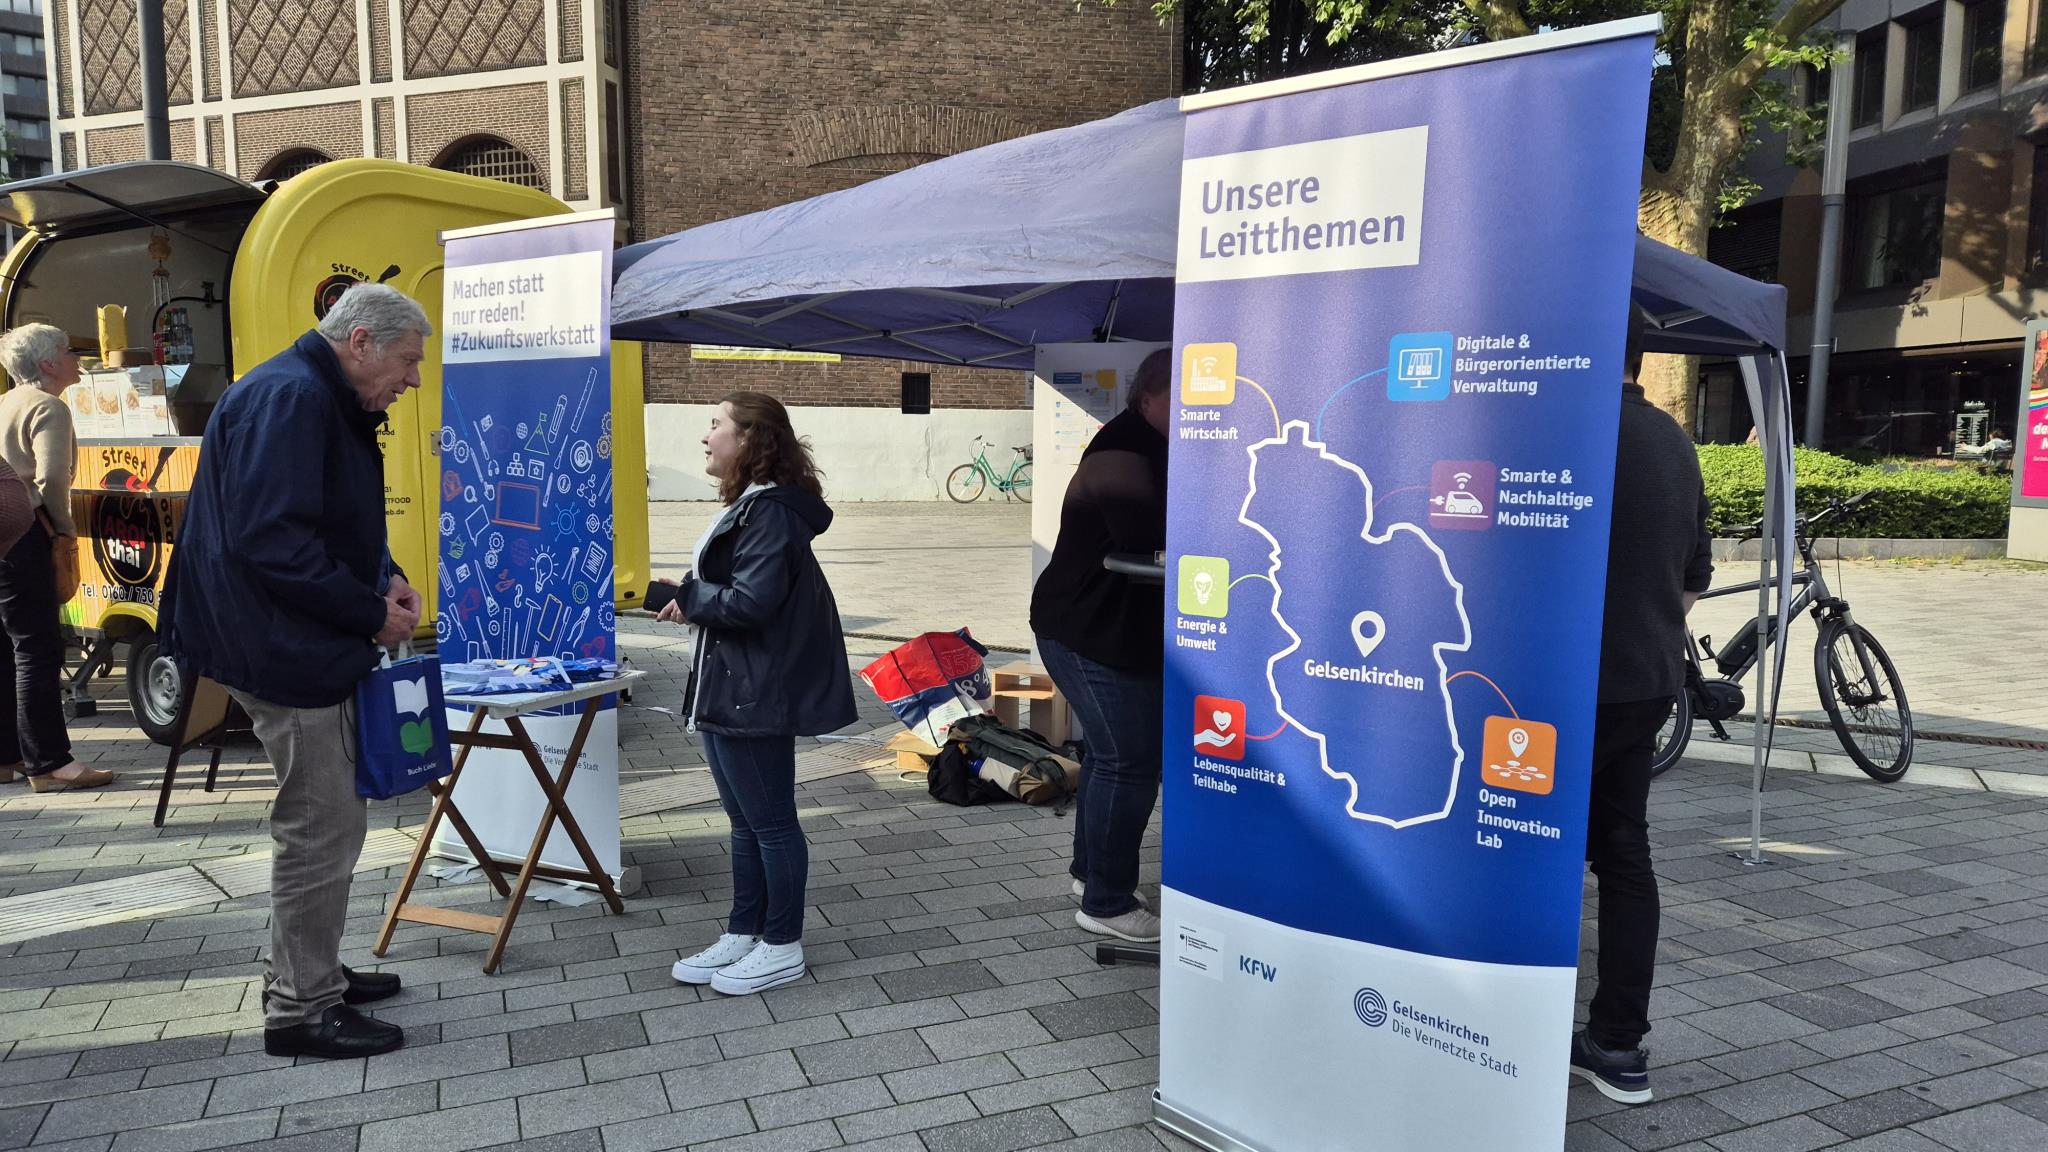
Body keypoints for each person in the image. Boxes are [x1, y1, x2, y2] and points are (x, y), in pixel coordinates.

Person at [160, 285, 425, 1060]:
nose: (411, 381)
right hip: (281, 646)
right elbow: (273, 542)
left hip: (281, 635)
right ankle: (302, 1009)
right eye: (407, 362)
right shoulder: (294, 398)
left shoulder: (310, 392)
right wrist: (370, 613)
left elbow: (326, 521)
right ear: (363, 342)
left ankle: (312, 968)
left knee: (326, 823)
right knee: (321, 827)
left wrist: (385, 576)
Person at [659, 392, 856, 996]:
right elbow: (739, 586)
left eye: (716, 425)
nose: (705, 436)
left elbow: (751, 602)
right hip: (730, 684)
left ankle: (782, 945)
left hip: (755, 690)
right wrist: (688, 592)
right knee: (745, 825)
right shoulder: (751, 505)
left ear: (749, 439)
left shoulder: (769, 511)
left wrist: (688, 597)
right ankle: (744, 932)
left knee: (771, 826)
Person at [1570, 308, 1713, 1106]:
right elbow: (1694, 579)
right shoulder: (1674, 441)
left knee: (1531, 848)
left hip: (1561, 689)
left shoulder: (1564, 433)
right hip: (1646, 678)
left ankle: (1507, 1027)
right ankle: (1619, 1045)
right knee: (1624, 852)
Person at [1031, 349, 1170, 944]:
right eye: (1185, 400)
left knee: (1114, 759)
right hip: (1089, 633)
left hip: (1109, 631)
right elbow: (1152, 534)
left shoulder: (1153, 441)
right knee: (1128, 761)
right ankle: (1108, 903)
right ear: (1147, 397)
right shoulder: (1122, 452)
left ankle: (1091, 876)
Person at [0, 324, 112, 792]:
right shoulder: (49, 406)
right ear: (48, 364)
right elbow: (50, 482)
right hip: (29, 532)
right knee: (38, 650)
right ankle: (50, 763)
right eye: (69, 350)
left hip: (3, 531)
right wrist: (64, 533)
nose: (77, 357)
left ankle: (8, 757)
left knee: (8, 648)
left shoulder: (6, 402)